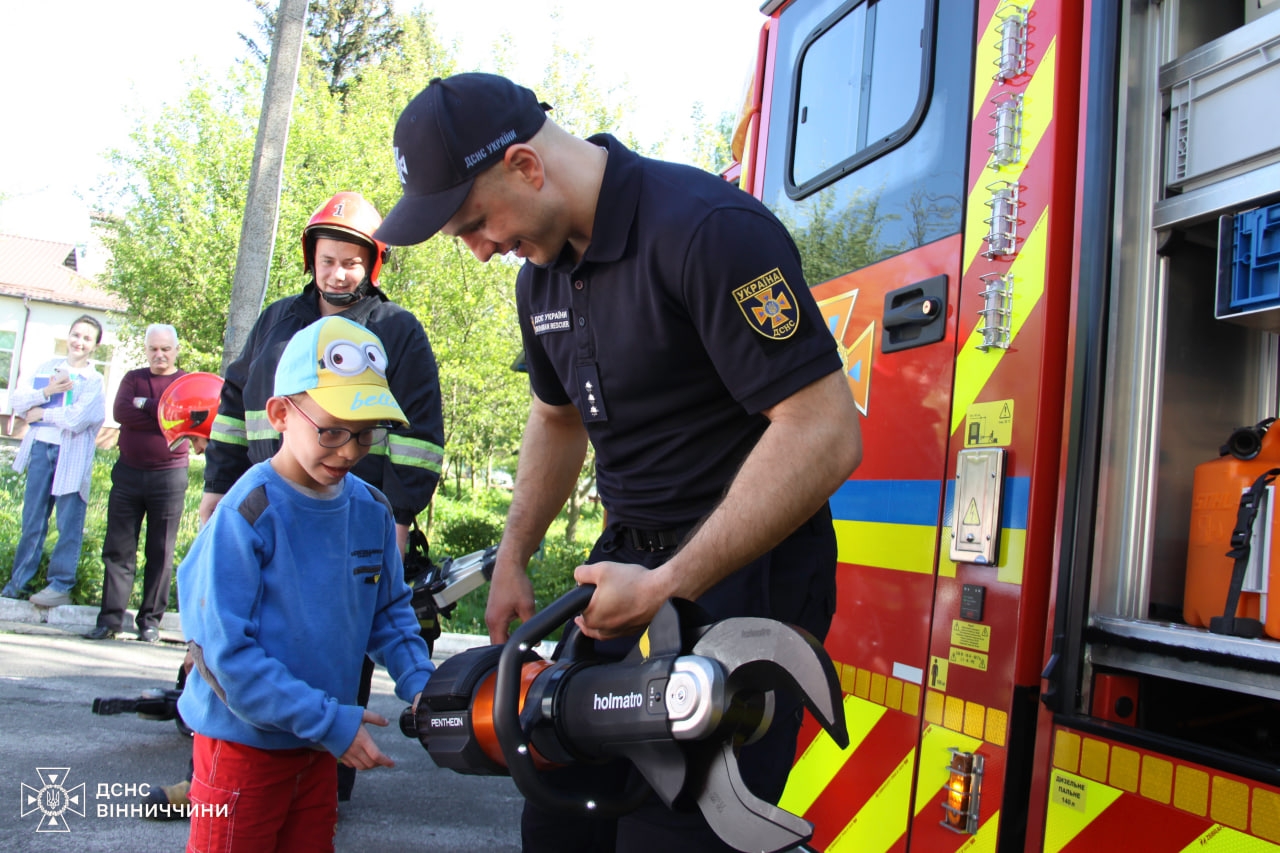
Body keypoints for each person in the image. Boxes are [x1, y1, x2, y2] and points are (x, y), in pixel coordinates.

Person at [374, 73, 863, 852]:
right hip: (626, 565)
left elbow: (825, 430)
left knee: (672, 834)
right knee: (559, 806)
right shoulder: (540, 278)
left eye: (473, 222)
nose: (476, 251)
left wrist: (672, 583)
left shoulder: (708, 230)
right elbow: (556, 414)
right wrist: (513, 556)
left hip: (746, 578)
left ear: (527, 166)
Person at [199, 190, 444, 802]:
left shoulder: (395, 332)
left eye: (352, 262)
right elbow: (233, 406)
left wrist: (396, 516)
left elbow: (420, 441)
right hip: (247, 753)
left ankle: (332, 778)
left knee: (338, 639)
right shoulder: (278, 322)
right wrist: (216, 485)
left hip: (347, 518)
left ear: (373, 266)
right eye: (328, 260)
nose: (339, 273)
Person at [177, 315, 435, 851]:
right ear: (279, 414)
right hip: (243, 750)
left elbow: (387, 612)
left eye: (365, 435)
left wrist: (421, 683)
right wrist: (328, 721)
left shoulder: (370, 510)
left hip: (318, 748)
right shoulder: (247, 513)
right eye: (332, 431)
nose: (348, 451)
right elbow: (225, 656)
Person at [88, 324, 189, 643]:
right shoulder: (133, 378)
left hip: (169, 476)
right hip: (128, 473)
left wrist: (144, 405)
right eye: (153, 349)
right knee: (118, 548)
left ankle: (150, 622)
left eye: (165, 349)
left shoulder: (185, 383)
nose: (159, 355)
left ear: (175, 350)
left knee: (160, 550)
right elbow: (121, 412)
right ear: (146, 350)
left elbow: (186, 420)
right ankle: (110, 619)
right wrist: (163, 414)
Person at [2, 315, 107, 608]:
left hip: (70, 455)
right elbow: (19, 402)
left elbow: (77, 419)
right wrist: (47, 392)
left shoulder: (93, 381)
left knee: (67, 522)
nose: (79, 342)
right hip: (41, 449)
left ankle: (60, 584)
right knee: (33, 520)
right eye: (76, 335)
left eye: (87, 338)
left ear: (94, 346)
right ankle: (17, 583)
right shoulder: (49, 368)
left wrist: (42, 413)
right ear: (68, 336)